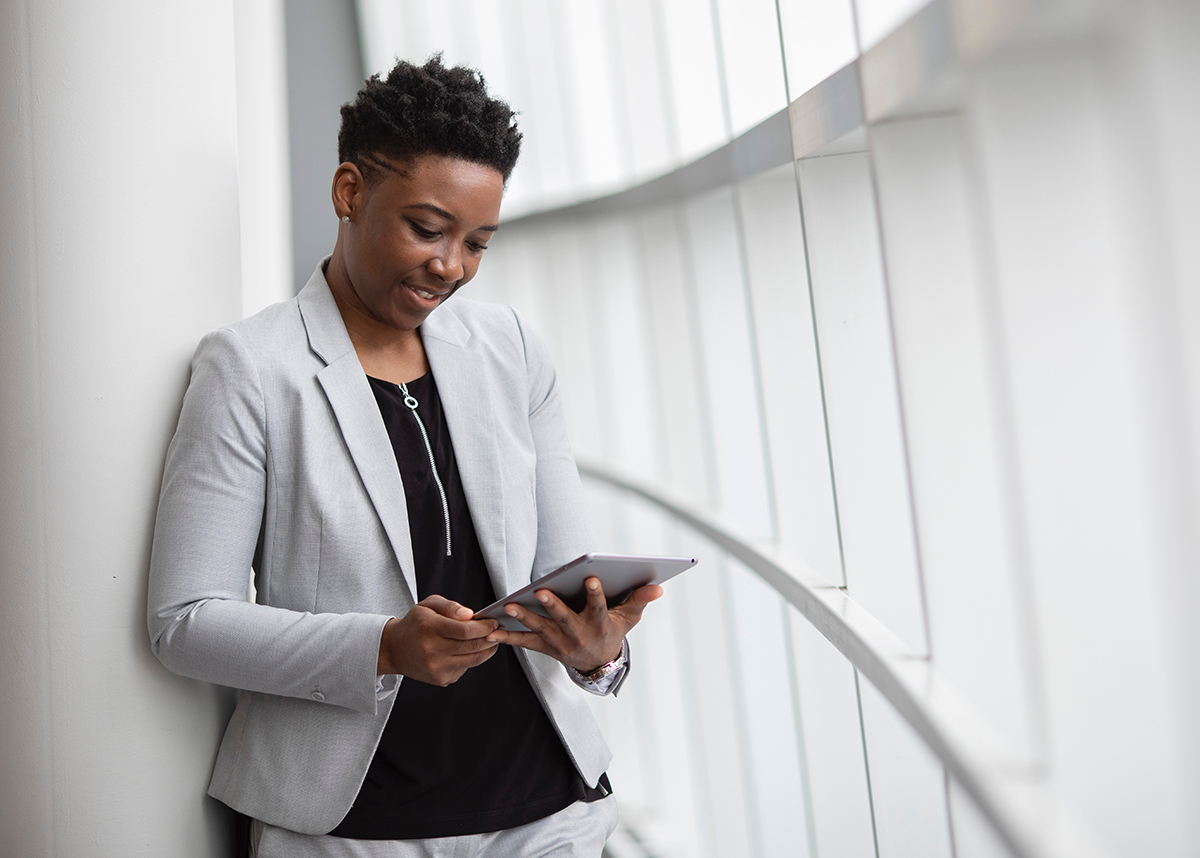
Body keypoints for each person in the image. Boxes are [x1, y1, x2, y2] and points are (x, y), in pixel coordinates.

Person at [147, 55, 662, 857]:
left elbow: (565, 576)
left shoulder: (512, 349)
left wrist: (600, 654)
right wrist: (383, 645)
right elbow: (185, 621)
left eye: (477, 242)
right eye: (427, 228)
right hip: (354, 827)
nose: (450, 265)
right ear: (350, 193)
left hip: (544, 811)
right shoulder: (251, 368)